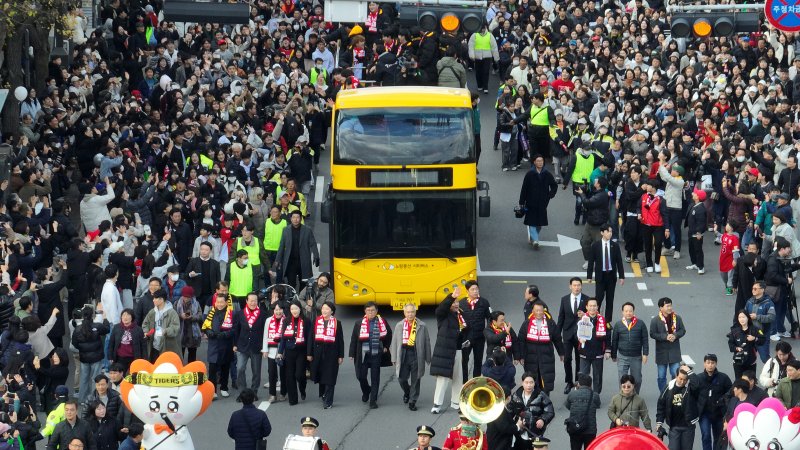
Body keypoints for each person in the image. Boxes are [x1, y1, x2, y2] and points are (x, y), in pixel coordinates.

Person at [430, 287, 468, 414]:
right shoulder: (443, 315)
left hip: (457, 349)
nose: (456, 304)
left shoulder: (460, 315)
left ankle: (456, 401)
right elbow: (441, 308)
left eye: (457, 302)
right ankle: (437, 404)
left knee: (458, 377)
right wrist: (451, 296)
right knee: (443, 378)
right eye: (454, 302)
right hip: (445, 351)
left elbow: (467, 330)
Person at [349, 301, 392, 409]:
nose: (370, 312)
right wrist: (351, 353)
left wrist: (386, 346)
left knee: (375, 377)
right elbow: (354, 339)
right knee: (361, 376)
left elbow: (389, 334)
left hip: (376, 353)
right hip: (363, 354)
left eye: (373, 310)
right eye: (368, 310)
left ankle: (373, 400)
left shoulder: (382, 321)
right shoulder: (359, 323)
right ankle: (367, 390)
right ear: (365, 311)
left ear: (376, 311)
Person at [390, 303, 432, 412]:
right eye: (408, 312)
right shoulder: (399, 325)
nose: (410, 314)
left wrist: (428, 358)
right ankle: (407, 392)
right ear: (404, 313)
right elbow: (394, 342)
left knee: (416, 379)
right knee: (401, 378)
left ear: (415, 312)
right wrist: (393, 358)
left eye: (412, 312)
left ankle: (413, 401)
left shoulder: (422, 325)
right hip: (403, 353)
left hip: (416, 353)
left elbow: (427, 341)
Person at [517, 300, 564, 394]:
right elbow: (521, 341)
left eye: (540, 310)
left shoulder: (550, 323)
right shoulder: (527, 323)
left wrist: (561, 353)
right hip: (530, 356)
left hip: (546, 355)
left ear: (544, 311)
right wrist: (520, 356)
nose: (539, 312)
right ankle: (533, 399)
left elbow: (557, 339)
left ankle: (545, 400)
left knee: (546, 378)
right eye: (536, 310)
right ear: (533, 311)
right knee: (532, 378)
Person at [71, 306, 110, 409]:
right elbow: (107, 329)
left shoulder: (78, 329)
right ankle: (94, 399)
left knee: (84, 378)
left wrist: (83, 349)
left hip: (84, 358)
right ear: (93, 315)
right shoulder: (97, 326)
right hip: (96, 357)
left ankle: (82, 400)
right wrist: (105, 318)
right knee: (95, 379)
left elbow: (74, 343)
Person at [308, 301, 344, 409]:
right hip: (318, 352)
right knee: (321, 374)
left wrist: (340, 355)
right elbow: (311, 337)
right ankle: (323, 394)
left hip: (332, 353)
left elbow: (340, 341)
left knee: (330, 377)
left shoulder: (337, 323)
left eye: (327, 309)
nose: (324, 310)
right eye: (323, 308)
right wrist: (309, 353)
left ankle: (328, 401)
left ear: (332, 311)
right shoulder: (316, 321)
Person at [518, 154, 559, 249]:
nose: (540, 162)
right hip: (531, 202)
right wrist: (521, 201)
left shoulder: (547, 174)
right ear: (534, 162)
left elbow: (554, 185)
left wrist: (550, 195)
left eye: (541, 161)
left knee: (539, 224)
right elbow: (524, 188)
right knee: (532, 222)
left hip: (543, 203)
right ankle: (536, 240)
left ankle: (533, 236)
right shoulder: (529, 174)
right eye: (538, 161)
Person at [273, 210, 320, 291]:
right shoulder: (286, 230)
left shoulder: (307, 230)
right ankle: (292, 299)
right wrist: (277, 260)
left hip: (303, 261)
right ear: (291, 219)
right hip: (291, 261)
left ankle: (301, 298)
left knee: (303, 282)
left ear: (301, 218)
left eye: (298, 217)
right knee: (291, 283)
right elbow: (281, 245)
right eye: (293, 217)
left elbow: (313, 243)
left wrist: (316, 256)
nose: (295, 219)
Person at [232, 292, 267, 400]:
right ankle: (242, 393)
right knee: (240, 369)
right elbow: (236, 330)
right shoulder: (240, 314)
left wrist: (264, 346)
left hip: (256, 346)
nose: (253, 303)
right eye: (251, 300)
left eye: (255, 300)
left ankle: (254, 392)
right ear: (246, 301)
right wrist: (234, 344)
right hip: (242, 346)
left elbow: (265, 332)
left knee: (256, 372)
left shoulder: (263, 314)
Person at [587, 224, 625, 320]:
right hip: (600, 276)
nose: (610, 233)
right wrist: (589, 276)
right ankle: (596, 318)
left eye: (611, 231)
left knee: (610, 299)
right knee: (598, 298)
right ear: (602, 233)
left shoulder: (615, 246)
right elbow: (591, 261)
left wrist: (621, 276)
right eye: (608, 231)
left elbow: (619, 261)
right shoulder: (596, 245)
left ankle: (607, 321)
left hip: (611, 276)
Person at [558, 277, 589, 394]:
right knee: (567, 359)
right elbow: (561, 317)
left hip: (580, 334)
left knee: (579, 359)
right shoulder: (564, 299)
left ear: (581, 286)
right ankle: (569, 382)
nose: (577, 287)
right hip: (567, 334)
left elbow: (592, 315)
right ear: (570, 286)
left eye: (579, 285)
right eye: (574, 285)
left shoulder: (586, 299)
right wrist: (557, 334)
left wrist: (584, 315)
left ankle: (578, 381)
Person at [610, 302, 649, 393]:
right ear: (622, 312)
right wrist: (613, 354)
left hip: (636, 357)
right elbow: (614, 340)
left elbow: (645, 339)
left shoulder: (640, 323)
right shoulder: (618, 324)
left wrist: (645, 354)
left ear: (633, 312)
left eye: (630, 311)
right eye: (626, 311)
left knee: (637, 380)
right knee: (622, 380)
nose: (628, 313)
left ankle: (635, 396)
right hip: (622, 356)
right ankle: (623, 397)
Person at [696, 354, 732, 450]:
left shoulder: (723, 378)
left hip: (719, 413)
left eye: (712, 363)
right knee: (706, 435)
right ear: (704, 364)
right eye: (708, 363)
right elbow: (693, 395)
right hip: (704, 414)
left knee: (719, 437)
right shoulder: (698, 378)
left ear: (716, 364)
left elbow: (731, 393)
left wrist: (724, 401)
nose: (710, 365)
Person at [509, 372, 555, 447]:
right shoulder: (516, 395)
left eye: (531, 382)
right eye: (526, 382)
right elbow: (509, 412)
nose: (529, 385)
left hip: (535, 433)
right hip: (519, 432)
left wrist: (542, 420)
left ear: (534, 383)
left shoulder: (541, 395)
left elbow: (550, 412)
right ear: (522, 383)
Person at [656, 369, 699, 450]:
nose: (682, 382)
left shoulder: (691, 388)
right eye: (680, 378)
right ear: (676, 376)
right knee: (673, 448)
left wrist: (689, 371)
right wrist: (659, 422)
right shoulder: (669, 387)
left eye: (685, 379)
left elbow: (697, 385)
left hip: (688, 426)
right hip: (674, 426)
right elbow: (661, 405)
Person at [457, 280, 491, 383]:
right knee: (464, 361)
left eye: (477, 289)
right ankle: (464, 383)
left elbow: (490, 318)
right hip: (465, 338)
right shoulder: (461, 303)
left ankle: (476, 383)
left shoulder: (484, 303)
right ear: (467, 291)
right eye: (473, 289)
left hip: (479, 337)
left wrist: (487, 332)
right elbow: (457, 319)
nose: (475, 291)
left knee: (478, 361)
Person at [650, 297, 686, 393]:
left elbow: (683, 330)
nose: (670, 308)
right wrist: (665, 337)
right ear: (661, 308)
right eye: (667, 306)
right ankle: (663, 394)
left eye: (670, 305)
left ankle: (675, 392)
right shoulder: (655, 320)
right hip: (661, 353)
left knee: (675, 375)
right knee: (661, 377)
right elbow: (652, 334)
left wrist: (675, 335)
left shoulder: (677, 318)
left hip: (674, 351)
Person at [203, 293, 235, 399]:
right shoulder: (211, 313)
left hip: (226, 344)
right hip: (214, 345)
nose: (219, 304)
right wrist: (209, 332)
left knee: (225, 367)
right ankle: (213, 390)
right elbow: (205, 326)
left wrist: (225, 334)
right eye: (218, 302)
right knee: (212, 369)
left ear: (226, 302)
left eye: (222, 302)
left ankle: (224, 388)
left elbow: (235, 329)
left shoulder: (231, 314)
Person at [277, 301, 310, 405]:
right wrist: (280, 352)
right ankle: (293, 399)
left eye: (296, 308)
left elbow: (309, 338)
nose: (294, 311)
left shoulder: (306, 321)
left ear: (300, 309)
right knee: (289, 376)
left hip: (301, 351)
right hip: (289, 350)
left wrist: (309, 353)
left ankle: (302, 388)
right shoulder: (286, 321)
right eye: (292, 309)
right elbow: (283, 338)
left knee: (299, 374)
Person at [577, 298, 610, 393]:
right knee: (583, 376)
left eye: (594, 306)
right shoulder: (581, 319)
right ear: (586, 307)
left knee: (598, 376)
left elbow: (608, 336)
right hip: (584, 352)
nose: (592, 308)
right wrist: (579, 338)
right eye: (590, 306)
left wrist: (608, 350)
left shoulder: (603, 320)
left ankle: (596, 396)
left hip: (598, 353)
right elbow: (575, 333)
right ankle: (584, 395)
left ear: (597, 307)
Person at [638, 178, 669, 273]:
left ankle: (657, 263)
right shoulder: (643, 196)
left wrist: (667, 228)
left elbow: (665, 214)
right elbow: (638, 207)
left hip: (658, 225)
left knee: (658, 243)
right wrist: (639, 213)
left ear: (653, 187)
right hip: (645, 225)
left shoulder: (661, 199)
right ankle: (649, 264)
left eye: (648, 185)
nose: (646, 186)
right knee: (647, 245)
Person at [142, 289, 180, 361]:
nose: (153, 300)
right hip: (154, 345)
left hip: (167, 346)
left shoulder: (172, 313)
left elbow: (176, 328)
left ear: (161, 300)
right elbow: (145, 323)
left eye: (155, 298)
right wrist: (146, 331)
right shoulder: (153, 311)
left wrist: (165, 331)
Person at [564, 373, 601, 450]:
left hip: (575, 427)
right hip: (590, 429)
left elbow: (568, 406)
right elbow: (598, 405)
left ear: (578, 384)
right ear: (590, 385)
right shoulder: (595, 395)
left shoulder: (572, 394)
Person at [728, 310, 765, 379]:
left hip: (751, 361)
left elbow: (763, 340)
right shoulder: (734, 331)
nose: (741, 319)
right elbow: (730, 344)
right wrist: (736, 348)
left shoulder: (755, 329)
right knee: (739, 381)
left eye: (743, 317)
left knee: (750, 381)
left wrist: (755, 338)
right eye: (739, 317)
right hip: (738, 361)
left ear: (748, 318)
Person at [261, 302, 286, 403]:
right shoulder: (268, 320)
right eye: (276, 310)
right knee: (272, 373)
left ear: (283, 310)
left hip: (283, 350)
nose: (278, 312)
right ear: (273, 311)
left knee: (283, 373)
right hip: (271, 350)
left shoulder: (286, 320)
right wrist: (265, 349)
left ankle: (283, 393)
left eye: (280, 309)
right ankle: (272, 394)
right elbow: (265, 335)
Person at [745, 281, 776, 362]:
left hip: (762, 335)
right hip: (750, 333)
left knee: (765, 358)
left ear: (762, 290)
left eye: (755, 288)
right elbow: (744, 313)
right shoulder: (749, 301)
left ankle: (773, 371)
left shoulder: (768, 303)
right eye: (752, 288)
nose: (753, 290)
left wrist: (757, 317)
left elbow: (771, 317)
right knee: (747, 358)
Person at [185, 241, 221, 309]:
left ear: (210, 251)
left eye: (206, 250)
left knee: (209, 313)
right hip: (197, 294)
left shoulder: (215, 263)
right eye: (202, 249)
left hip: (210, 293)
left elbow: (218, 279)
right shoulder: (193, 261)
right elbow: (185, 275)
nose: (203, 251)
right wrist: (190, 275)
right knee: (197, 313)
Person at [175, 286, 202, 362]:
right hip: (181, 333)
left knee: (192, 355)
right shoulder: (177, 303)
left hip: (192, 334)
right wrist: (181, 316)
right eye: (184, 296)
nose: (186, 299)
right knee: (180, 355)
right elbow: (173, 315)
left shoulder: (196, 303)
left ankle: (191, 371)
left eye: (188, 297)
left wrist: (192, 317)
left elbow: (200, 316)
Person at [686, 189, 707, 274]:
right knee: (691, 249)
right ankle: (694, 263)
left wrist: (699, 233)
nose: (693, 194)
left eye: (695, 194)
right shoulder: (693, 204)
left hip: (697, 233)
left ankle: (701, 266)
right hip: (691, 231)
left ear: (698, 197)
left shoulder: (701, 209)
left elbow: (701, 222)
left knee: (698, 250)